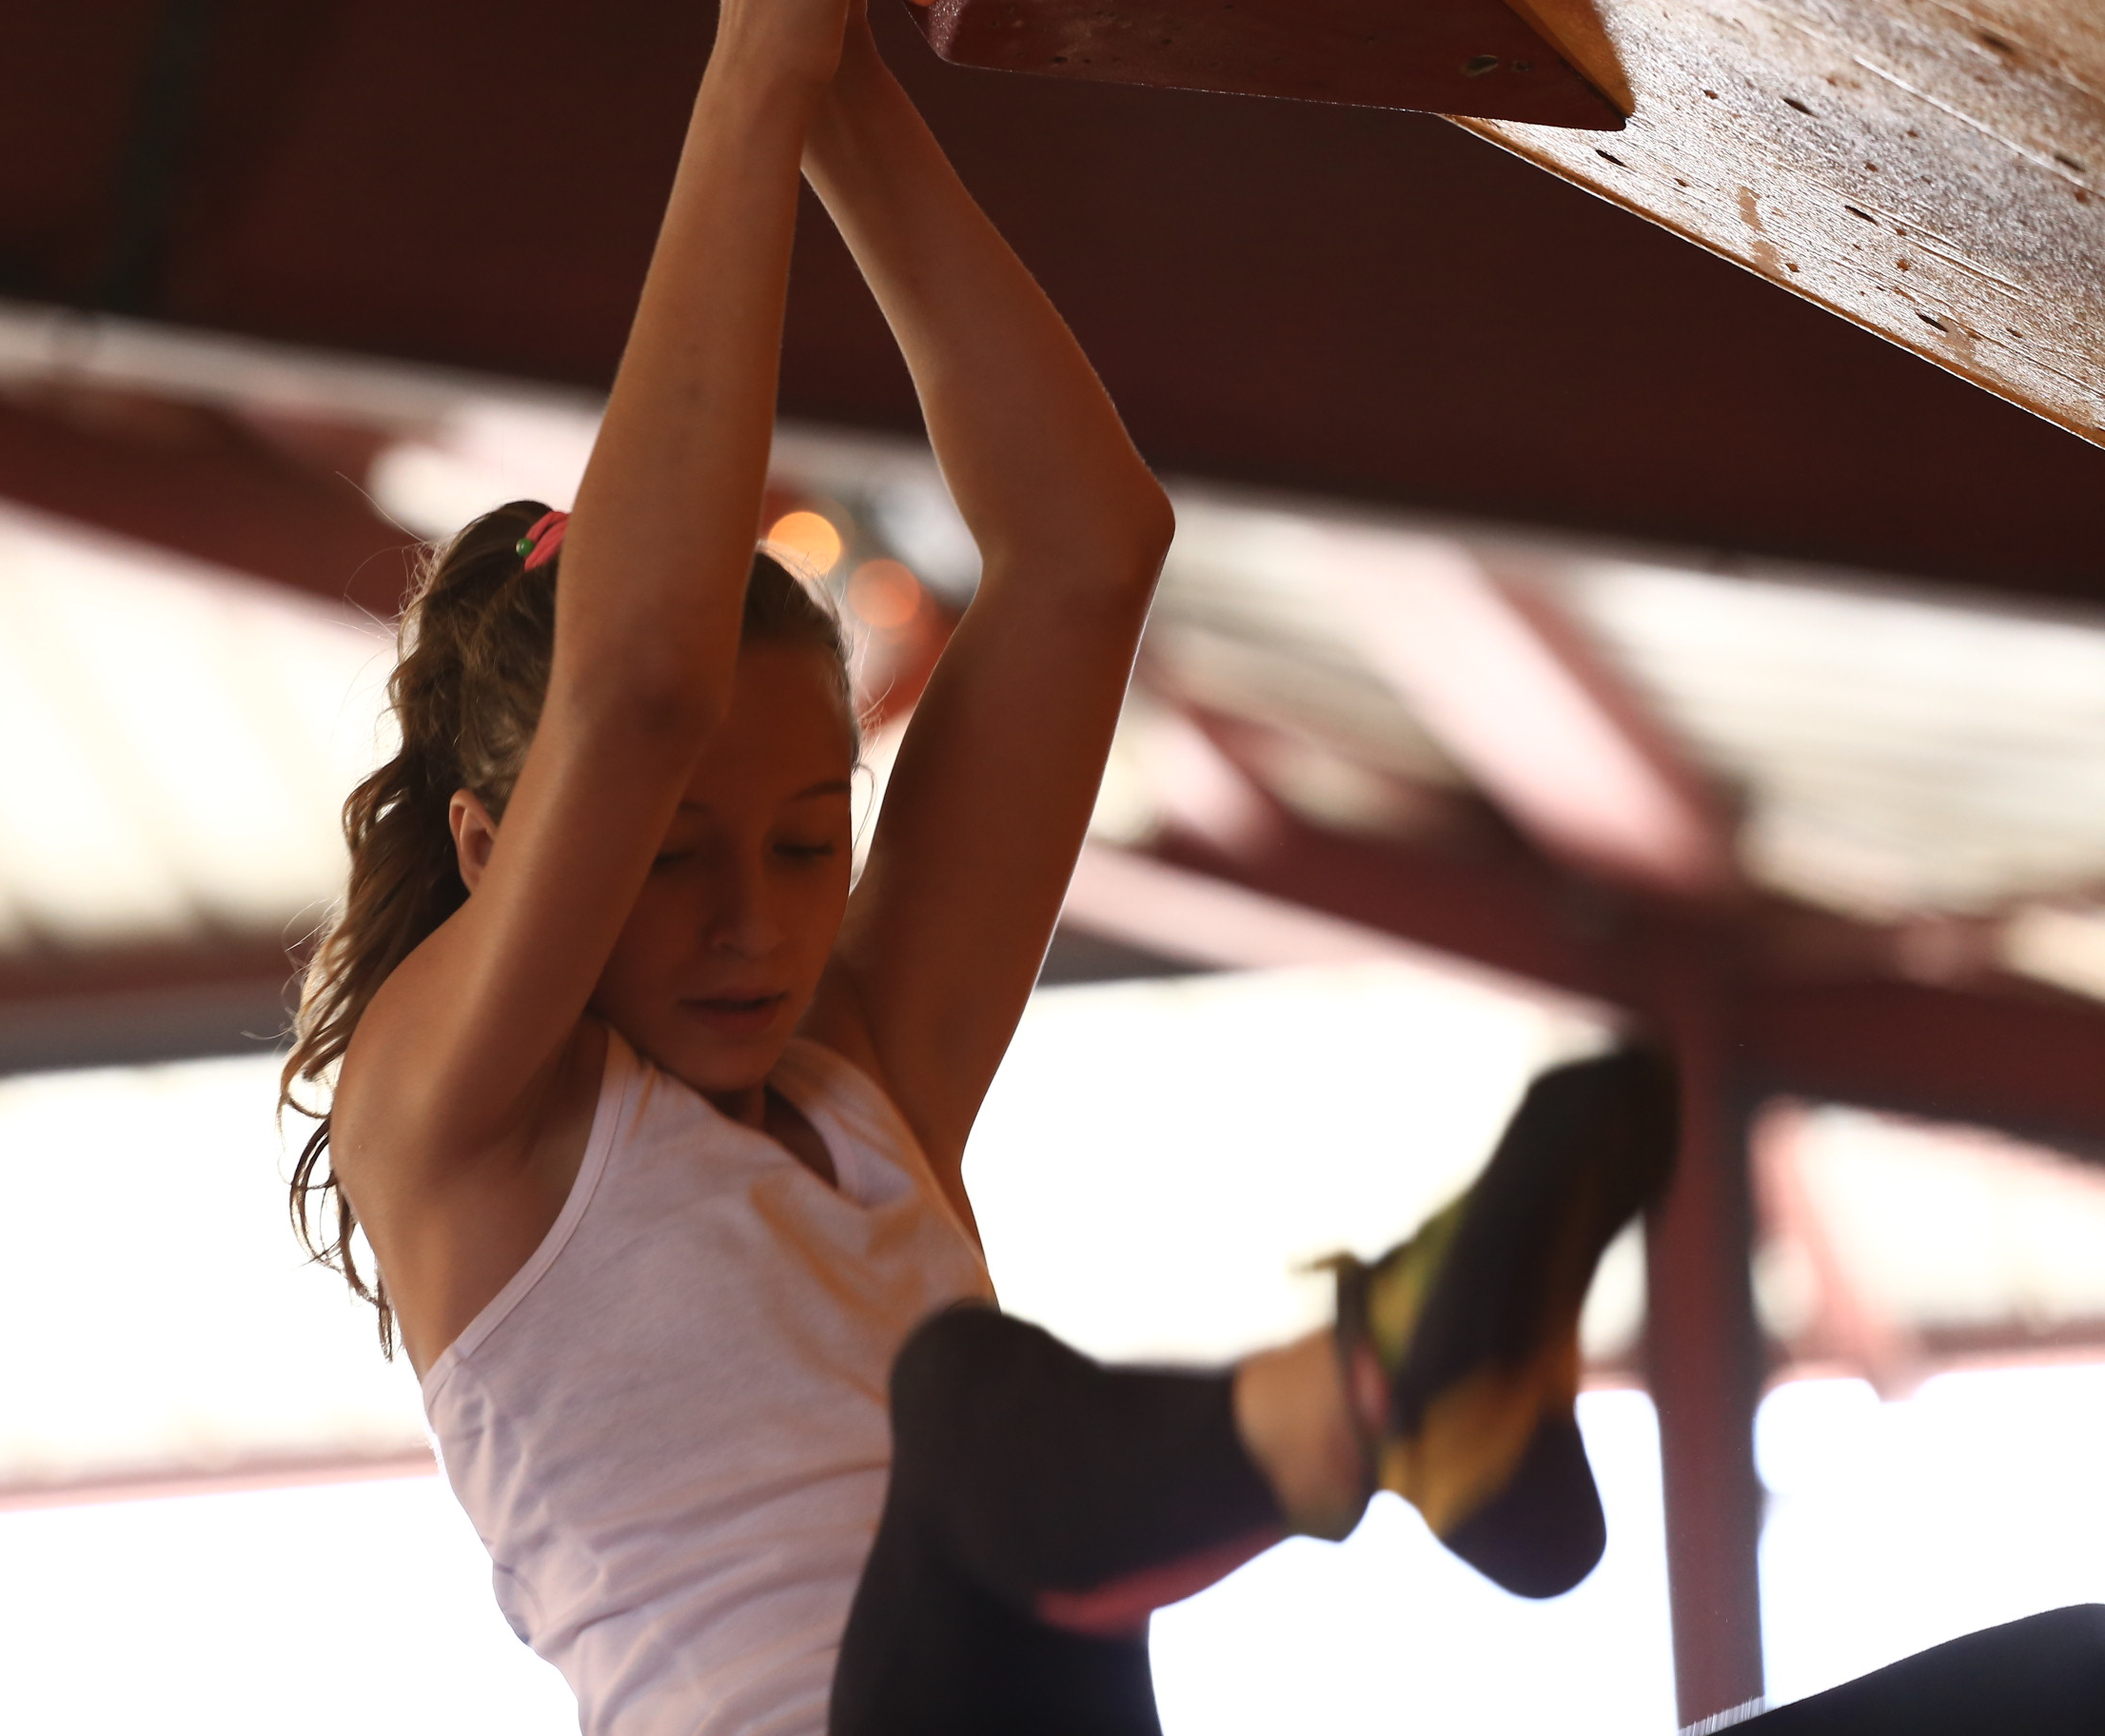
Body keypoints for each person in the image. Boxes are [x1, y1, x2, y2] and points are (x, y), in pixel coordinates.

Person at [279, 1, 2105, 1731]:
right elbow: (641, 684)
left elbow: (1085, 546)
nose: (757, 922)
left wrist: (846, 90)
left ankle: (1396, 1389)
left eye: (811, 838)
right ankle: (1388, 1384)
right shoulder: (450, 1124)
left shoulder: (860, 1087)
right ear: (493, 848)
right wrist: (756, 62)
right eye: (671, 859)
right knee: (961, 1413)